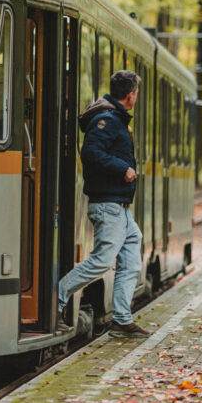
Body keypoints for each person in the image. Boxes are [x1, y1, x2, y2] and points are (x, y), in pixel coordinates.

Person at [58, 70, 150, 339]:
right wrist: (124, 169)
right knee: (101, 262)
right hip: (108, 205)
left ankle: (121, 320)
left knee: (131, 254)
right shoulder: (107, 121)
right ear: (131, 96)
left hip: (119, 207)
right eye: (136, 93)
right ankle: (58, 298)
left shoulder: (115, 119)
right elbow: (90, 153)